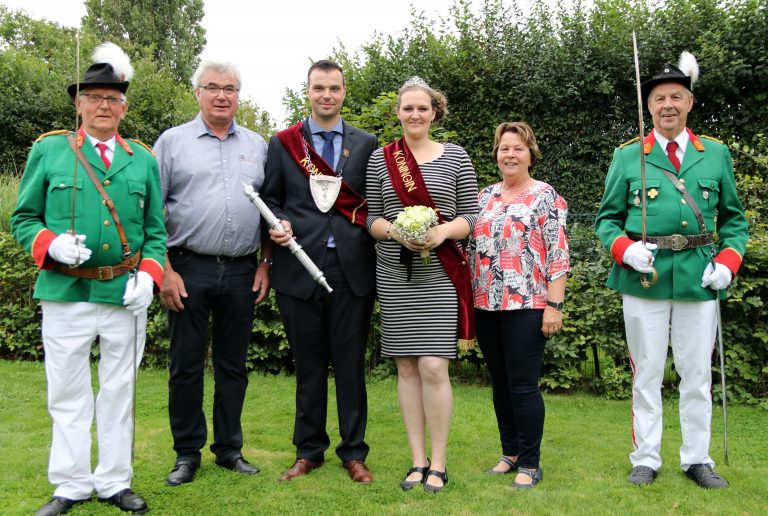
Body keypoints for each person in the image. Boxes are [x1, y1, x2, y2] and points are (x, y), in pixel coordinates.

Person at [11, 43, 165, 516]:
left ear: (124, 106)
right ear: (78, 103)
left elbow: (156, 233)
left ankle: (115, 480)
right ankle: (72, 483)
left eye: (113, 98)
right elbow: (23, 218)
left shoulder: (142, 159)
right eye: (94, 96)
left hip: (123, 294)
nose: (104, 105)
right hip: (66, 292)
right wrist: (49, 244)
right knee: (68, 393)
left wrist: (149, 276)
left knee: (120, 392)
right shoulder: (50, 150)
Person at [595, 53, 748, 488]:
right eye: (659, 97)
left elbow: (735, 220)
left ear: (689, 102)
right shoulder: (628, 157)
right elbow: (606, 219)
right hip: (643, 278)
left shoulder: (714, 154)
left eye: (676, 97)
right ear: (649, 107)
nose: (667, 105)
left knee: (696, 373)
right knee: (646, 371)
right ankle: (646, 457)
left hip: (700, 277)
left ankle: (697, 459)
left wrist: (728, 263)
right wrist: (624, 249)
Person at [153, 59, 271, 486]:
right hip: (186, 266)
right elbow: (151, 211)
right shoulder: (171, 143)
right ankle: (187, 453)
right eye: (213, 87)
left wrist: (265, 264)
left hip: (242, 270)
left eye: (230, 88)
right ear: (198, 92)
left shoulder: (258, 146)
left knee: (233, 365)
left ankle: (228, 449)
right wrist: (164, 269)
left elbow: (269, 213)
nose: (222, 95)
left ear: (239, 95)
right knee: (185, 364)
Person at [261, 60, 377, 483]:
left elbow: (374, 205)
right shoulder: (284, 143)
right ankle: (309, 450)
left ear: (344, 91)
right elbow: (270, 198)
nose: (326, 95)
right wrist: (276, 222)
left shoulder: (367, 144)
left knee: (349, 366)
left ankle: (353, 452)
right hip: (298, 268)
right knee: (308, 366)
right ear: (307, 91)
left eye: (334, 88)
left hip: (352, 270)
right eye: (318, 88)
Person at [366, 77, 478, 493]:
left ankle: (441, 461)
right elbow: (371, 217)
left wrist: (444, 232)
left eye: (423, 108)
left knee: (433, 366)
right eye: (407, 108)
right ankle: (417, 460)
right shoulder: (381, 159)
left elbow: (471, 214)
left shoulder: (457, 157)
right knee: (407, 367)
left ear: (435, 112)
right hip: (396, 273)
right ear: (398, 112)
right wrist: (396, 232)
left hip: (441, 274)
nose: (415, 115)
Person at [468, 122, 569, 489]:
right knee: (499, 383)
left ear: (531, 154)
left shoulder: (545, 196)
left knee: (523, 385)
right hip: (486, 304)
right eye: (503, 148)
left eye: (518, 148)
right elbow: (470, 251)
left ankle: (530, 462)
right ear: (496, 154)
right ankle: (509, 453)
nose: (509, 155)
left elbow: (558, 253)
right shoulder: (483, 197)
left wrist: (554, 305)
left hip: (527, 304)